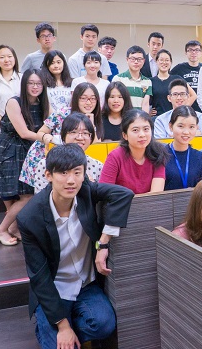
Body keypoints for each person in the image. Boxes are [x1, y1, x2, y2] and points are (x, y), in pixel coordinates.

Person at [17, 144, 134, 349]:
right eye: (63, 173)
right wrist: (63, 327)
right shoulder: (29, 218)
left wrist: (103, 242)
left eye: (77, 172)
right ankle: (53, 327)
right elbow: (39, 277)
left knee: (104, 325)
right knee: (58, 341)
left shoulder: (85, 191)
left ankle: (62, 331)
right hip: (54, 287)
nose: (71, 180)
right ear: (48, 175)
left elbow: (124, 194)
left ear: (84, 174)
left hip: (85, 284)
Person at [0, 69, 50, 245]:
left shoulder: (43, 103)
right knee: (25, 195)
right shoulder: (14, 102)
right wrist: (46, 138)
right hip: (10, 149)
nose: (35, 87)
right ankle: (1, 230)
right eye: (31, 83)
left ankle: (13, 228)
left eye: (38, 83)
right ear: (24, 84)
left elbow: (53, 121)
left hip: (30, 150)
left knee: (27, 193)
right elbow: (24, 133)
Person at [20, 82, 104, 189]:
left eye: (93, 99)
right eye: (83, 98)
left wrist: (91, 125)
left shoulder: (96, 118)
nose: (88, 102)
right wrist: (47, 138)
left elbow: (94, 145)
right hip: (46, 154)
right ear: (76, 98)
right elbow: (40, 133)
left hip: (76, 160)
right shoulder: (63, 113)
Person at [99, 109, 168, 194]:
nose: (142, 135)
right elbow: (104, 193)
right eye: (135, 130)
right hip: (121, 203)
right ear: (125, 135)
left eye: (146, 129)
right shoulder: (115, 157)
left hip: (150, 202)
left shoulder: (158, 153)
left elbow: (156, 194)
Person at [34, 112, 104, 193]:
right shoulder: (45, 164)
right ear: (63, 136)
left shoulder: (97, 166)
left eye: (85, 133)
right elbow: (39, 197)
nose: (80, 137)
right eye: (73, 132)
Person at [164, 106, 202, 190]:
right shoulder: (161, 155)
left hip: (194, 198)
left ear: (197, 127)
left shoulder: (198, 156)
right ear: (171, 126)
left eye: (191, 127)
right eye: (181, 126)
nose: (186, 132)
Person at [150, 49, 196, 117]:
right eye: (161, 60)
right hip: (157, 118)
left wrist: (182, 110)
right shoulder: (150, 81)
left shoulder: (177, 79)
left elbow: (193, 95)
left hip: (175, 117)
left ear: (171, 62)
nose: (164, 62)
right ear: (156, 61)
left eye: (167, 60)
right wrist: (148, 112)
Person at [112, 45, 151, 112]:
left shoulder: (147, 81)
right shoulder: (118, 79)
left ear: (144, 61)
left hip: (139, 117)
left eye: (139, 59)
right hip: (123, 116)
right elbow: (115, 101)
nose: (136, 62)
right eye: (133, 59)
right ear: (127, 60)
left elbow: (145, 104)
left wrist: (145, 117)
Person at [170, 40, 202, 112]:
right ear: (186, 52)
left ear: (201, 53)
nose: (193, 53)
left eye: (197, 50)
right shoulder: (179, 68)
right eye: (190, 50)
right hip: (184, 109)